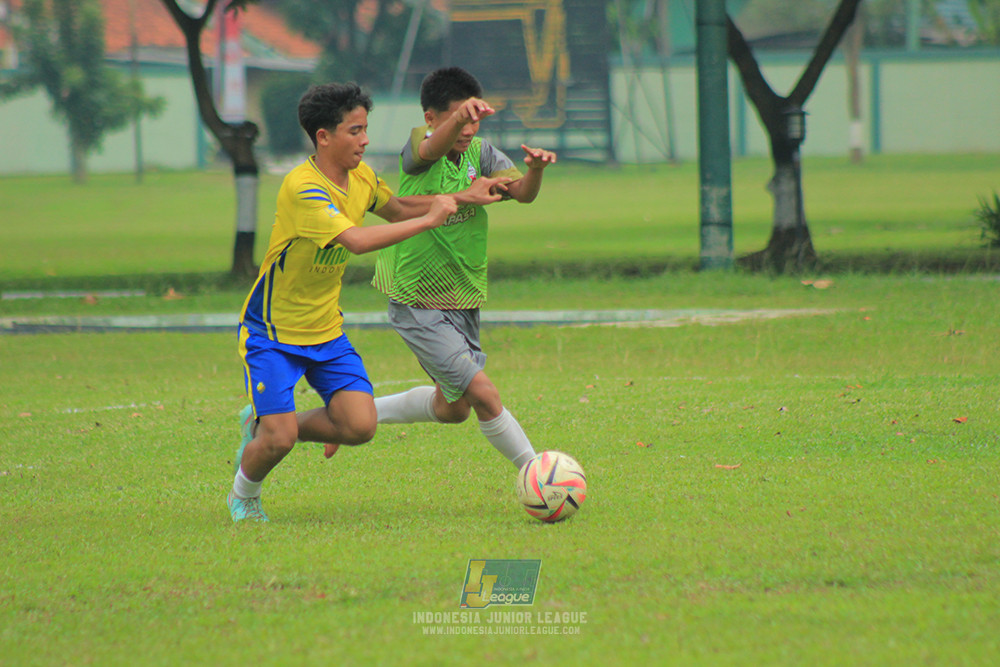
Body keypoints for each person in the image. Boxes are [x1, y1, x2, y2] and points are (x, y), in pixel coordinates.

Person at [229, 82, 508, 522]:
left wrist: (460, 197)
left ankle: (264, 422)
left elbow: (398, 208)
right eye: (355, 131)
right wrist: (432, 220)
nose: (365, 140)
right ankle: (244, 495)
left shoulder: (360, 177)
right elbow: (356, 241)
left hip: (325, 330)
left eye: (365, 129)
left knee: (360, 426)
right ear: (324, 137)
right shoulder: (303, 188)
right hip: (273, 332)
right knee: (279, 440)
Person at [358, 67, 557, 472]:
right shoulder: (419, 145)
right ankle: (537, 474)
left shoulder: (481, 154)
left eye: (474, 119)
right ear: (431, 118)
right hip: (416, 299)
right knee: (484, 393)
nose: (469, 129)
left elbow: (521, 194)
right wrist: (458, 124)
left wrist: (535, 171)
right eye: (460, 118)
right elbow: (430, 150)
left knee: (453, 409)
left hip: (461, 295)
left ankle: (355, 417)